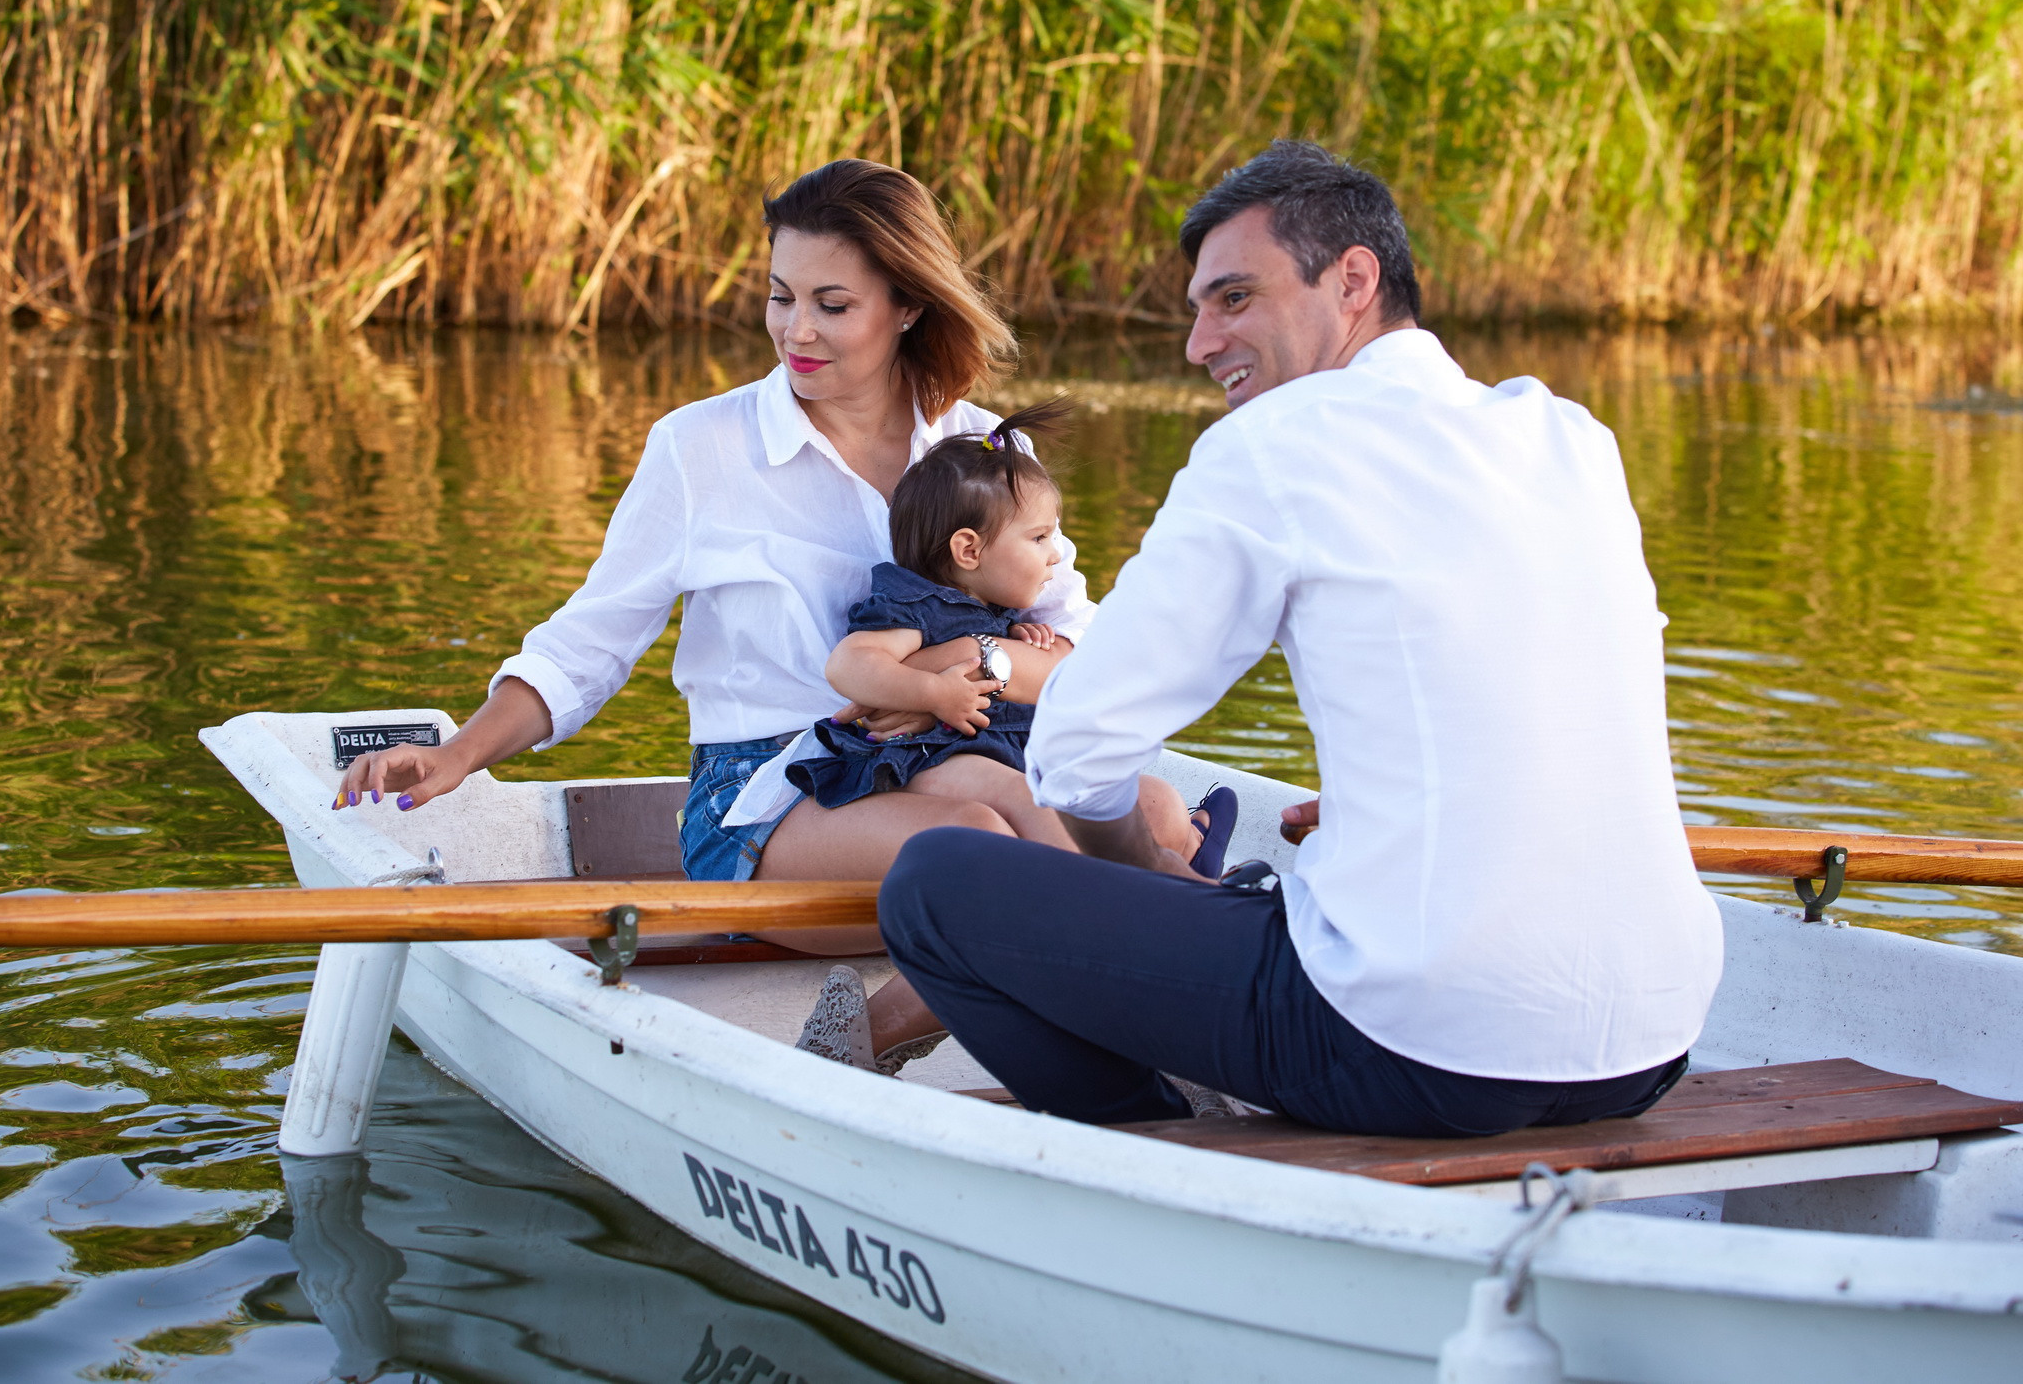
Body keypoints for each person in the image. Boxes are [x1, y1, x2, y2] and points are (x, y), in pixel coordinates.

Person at [876, 140, 1725, 1136]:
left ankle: (1159, 1138)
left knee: (934, 885)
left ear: (1352, 279)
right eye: (1198, 306)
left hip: (1418, 1049)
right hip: (1650, 1041)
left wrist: (1145, 871)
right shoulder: (1567, 436)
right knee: (1277, 898)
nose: (1198, 341)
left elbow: (1074, 751)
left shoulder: (1274, 445)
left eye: (1233, 298)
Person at [332, 160, 1102, 1002]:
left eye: (831, 305)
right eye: (781, 296)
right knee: (978, 840)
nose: (796, 330)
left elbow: (1079, 656)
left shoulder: (988, 451)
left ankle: (1113, 979)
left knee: (1141, 813)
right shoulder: (699, 449)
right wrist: (458, 754)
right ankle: (933, 1021)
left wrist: (955, 669)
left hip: (958, 752)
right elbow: (590, 644)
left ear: (908, 305)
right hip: (768, 795)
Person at [742, 400, 1232, 1073]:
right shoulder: (912, 603)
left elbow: (1084, 671)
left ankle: (1156, 902)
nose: (1056, 552)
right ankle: (1160, 908)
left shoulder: (1009, 612)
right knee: (1025, 802)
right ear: (969, 549)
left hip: (980, 751)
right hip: (927, 759)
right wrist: (933, 691)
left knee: (1113, 796)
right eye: (1039, 539)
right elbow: (849, 666)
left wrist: (1013, 641)